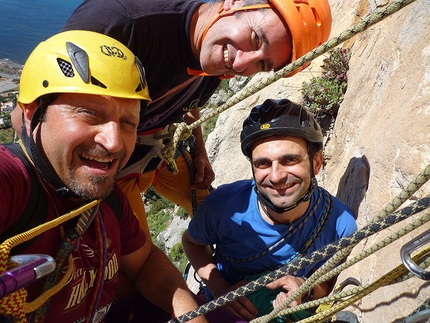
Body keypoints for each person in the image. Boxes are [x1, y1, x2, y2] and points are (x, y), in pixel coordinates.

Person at [0, 30, 234, 323]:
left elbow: (146, 262)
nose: (114, 142)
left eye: (127, 123)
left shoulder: (107, 198)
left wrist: (193, 317)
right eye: (89, 114)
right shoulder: (12, 180)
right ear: (33, 112)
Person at [61, 0, 333, 245]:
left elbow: (191, 103)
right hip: (112, 163)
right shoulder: (122, 22)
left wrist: (200, 150)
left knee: (215, 208)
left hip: (156, 150)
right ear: (234, 3)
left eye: (261, 64)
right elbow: (46, 110)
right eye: (254, 37)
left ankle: (262, 254)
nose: (241, 64)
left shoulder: (215, 55)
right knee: (132, 251)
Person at [182, 99, 358, 322]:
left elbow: (324, 279)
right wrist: (219, 288)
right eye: (263, 164)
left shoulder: (341, 227)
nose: (276, 176)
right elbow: (192, 243)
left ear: (316, 162)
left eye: (290, 159)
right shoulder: (224, 207)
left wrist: (306, 289)